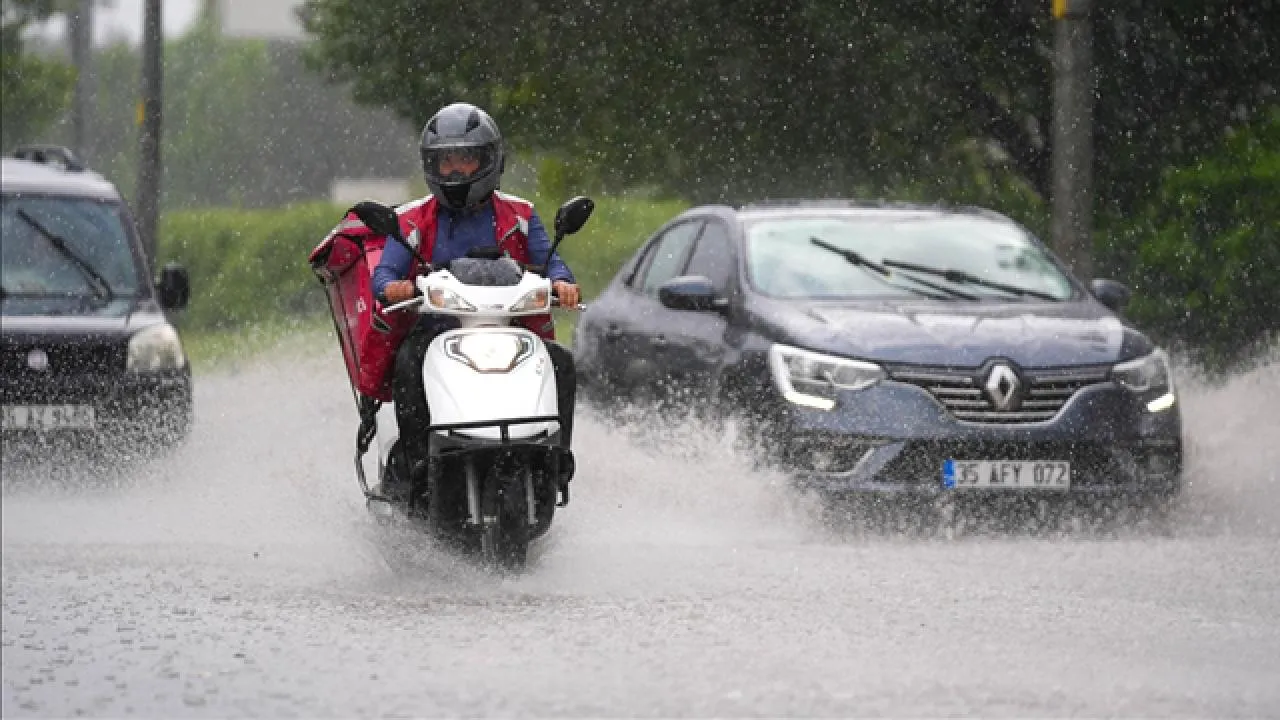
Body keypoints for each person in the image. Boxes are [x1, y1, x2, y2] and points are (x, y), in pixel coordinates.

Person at [368, 102, 581, 494]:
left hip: (508, 327)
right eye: (445, 161)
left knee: (561, 363)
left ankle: (555, 461)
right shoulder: (412, 219)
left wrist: (562, 284)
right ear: (430, 165)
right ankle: (419, 464)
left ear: (489, 160)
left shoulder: (520, 213)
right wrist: (391, 287)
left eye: (465, 160)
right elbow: (383, 274)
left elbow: (551, 262)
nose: (454, 171)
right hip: (436, 332)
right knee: (408, 361)